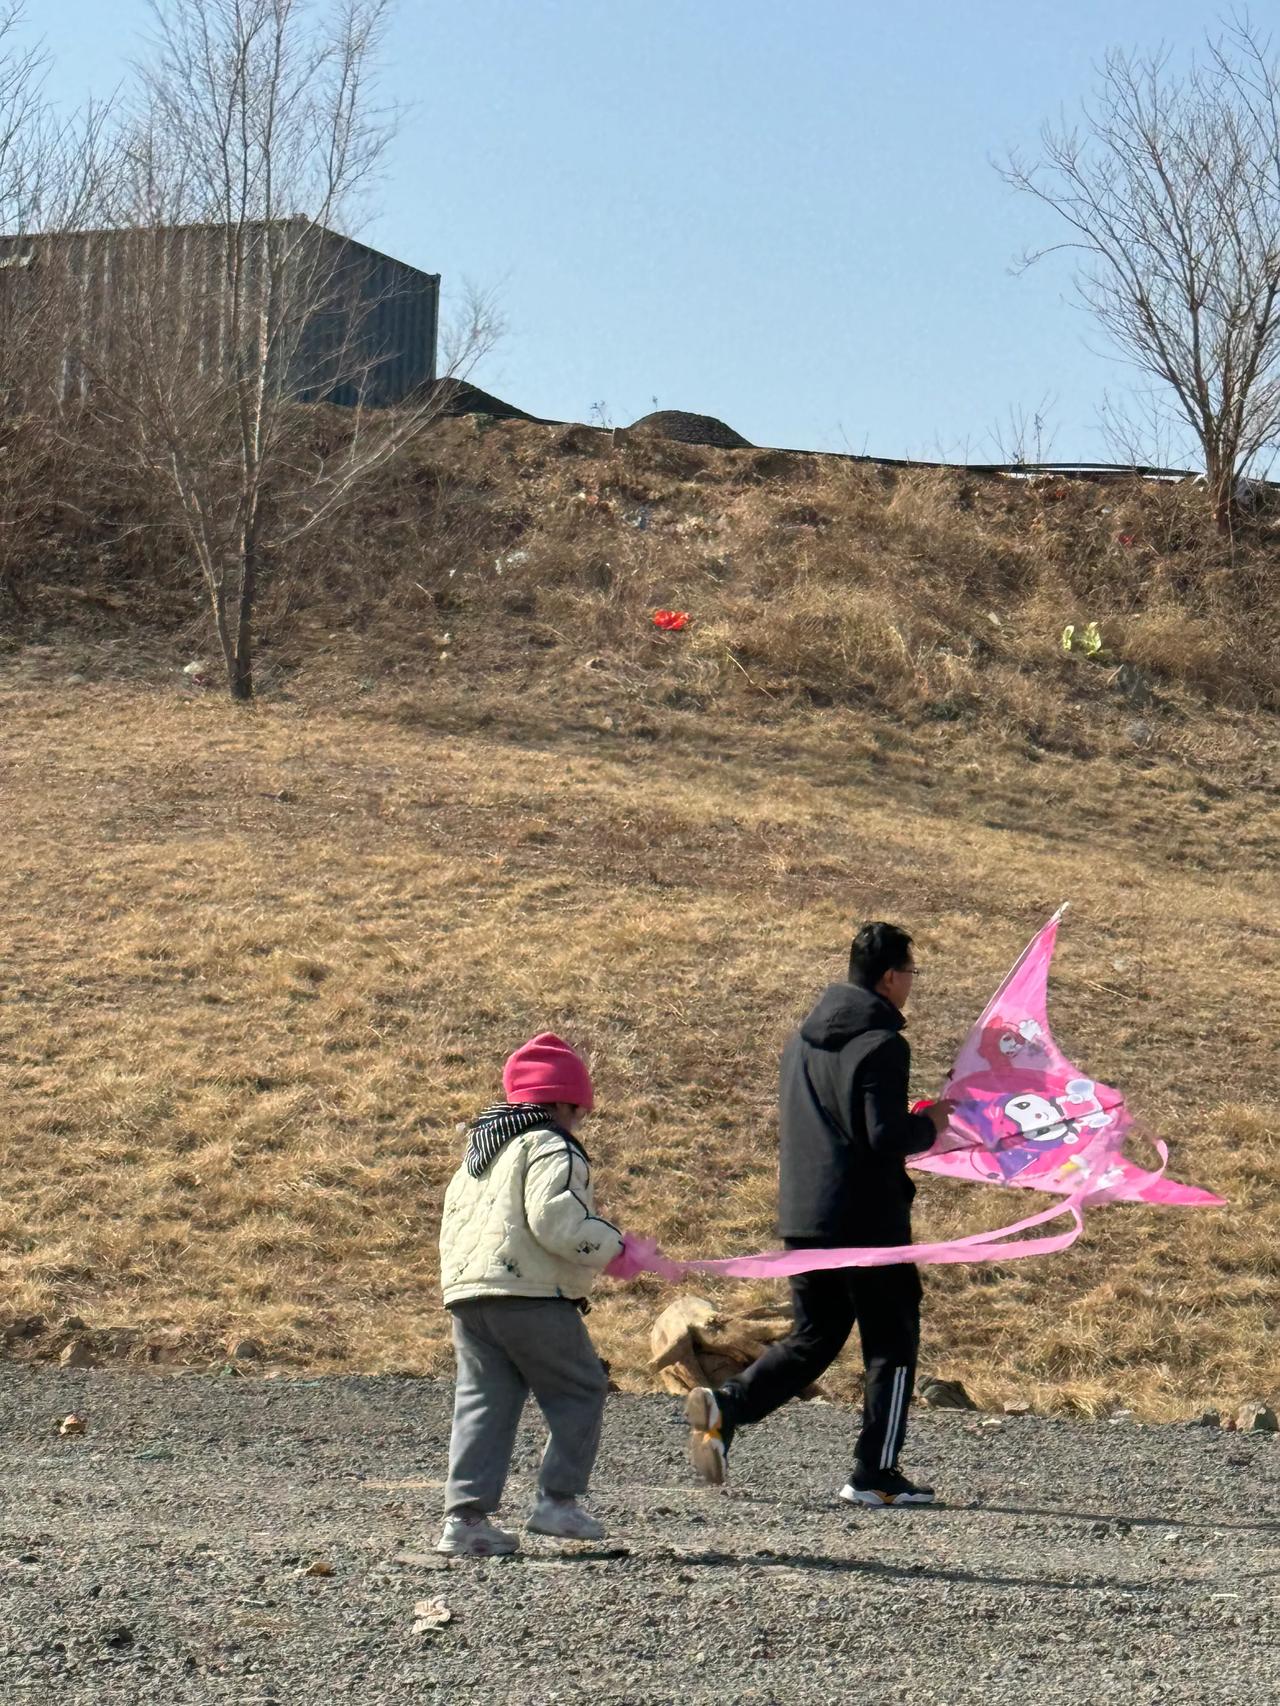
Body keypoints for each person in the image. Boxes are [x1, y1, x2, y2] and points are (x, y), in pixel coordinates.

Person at [685, 922, 954, 1506]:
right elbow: (882, 1136)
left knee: (817, 1333)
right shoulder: (884, 1043)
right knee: (893, 1337)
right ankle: (875, 1473)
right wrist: (928, 1125)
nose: (911, 984)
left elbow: (841, 1121)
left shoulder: (802, 1040)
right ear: (889, 978)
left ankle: (727, 1408)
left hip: (805, 1213)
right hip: (869, 1220)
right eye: (911, 973)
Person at [437, 1032, 643, 1557]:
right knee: (580, 1387)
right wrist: (615, 1249)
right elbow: (557, 1219)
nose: (580, 1121)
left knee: (484, 1400)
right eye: (580, 1110)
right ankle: (557, 1501)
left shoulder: (478, 1154)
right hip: (529, 1293)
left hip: (469, 1294)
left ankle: (466, 1519)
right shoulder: (551, 1144)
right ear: (564, 1102)